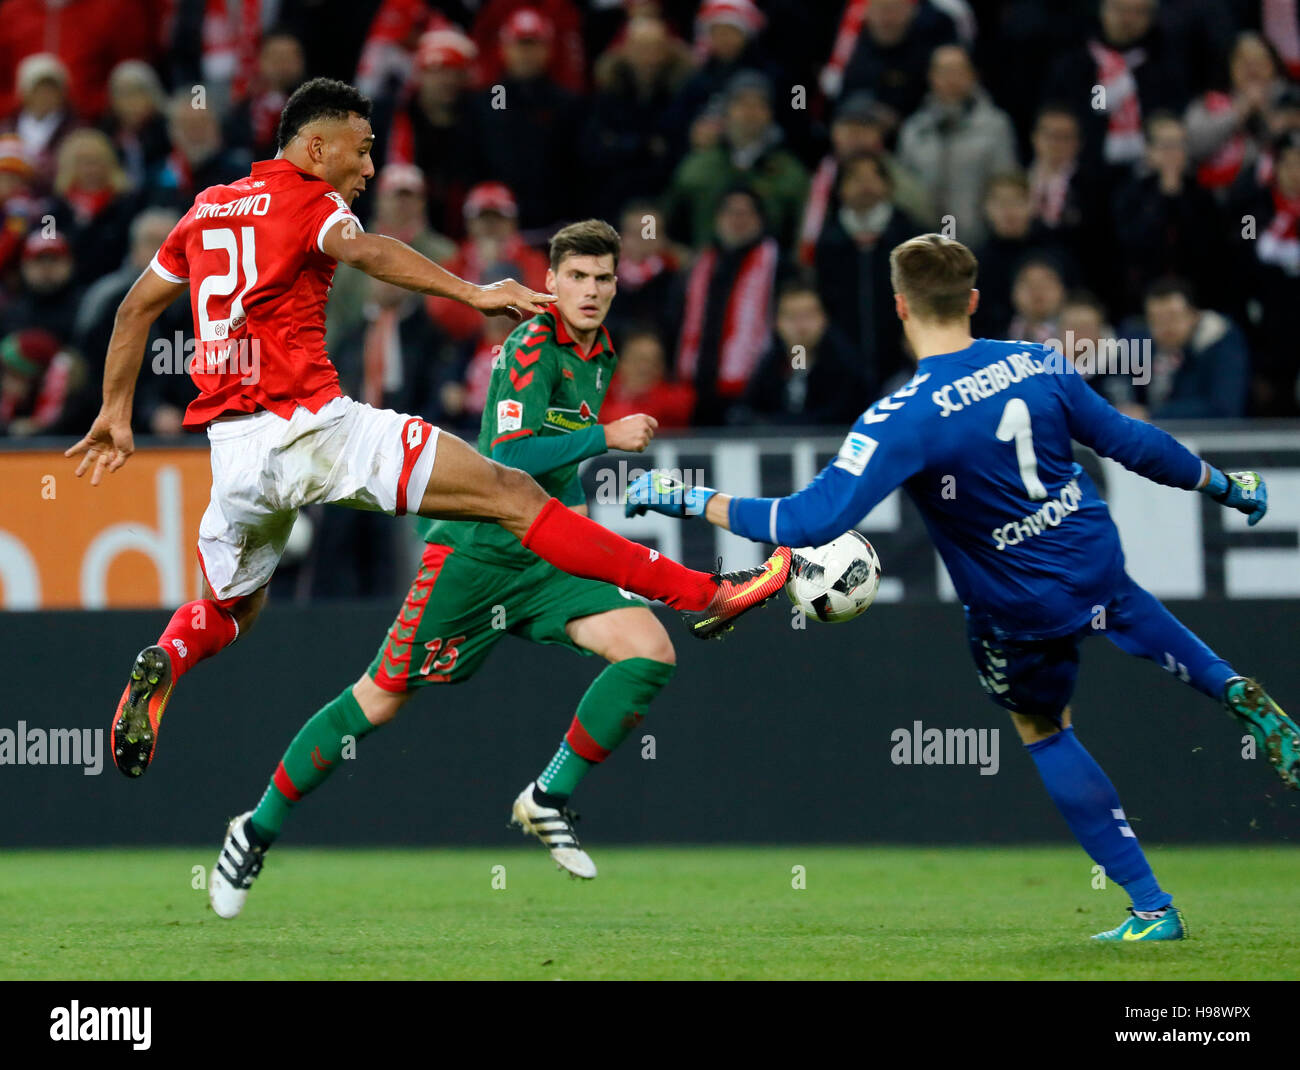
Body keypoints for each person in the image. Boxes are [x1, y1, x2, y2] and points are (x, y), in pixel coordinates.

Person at [65, 78, 793, 787]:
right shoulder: (310, 199)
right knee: (512, 490)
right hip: (315, 431)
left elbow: (134, 310)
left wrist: (113, 412)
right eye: (362, 149)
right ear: (316, 147)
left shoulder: (208, 208)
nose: (370, 166)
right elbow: (366, 250)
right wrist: (474, 291)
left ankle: (167, 655)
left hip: (233, 455)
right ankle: (704, 593)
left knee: (231, 608)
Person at [626, 233, 1299, 942]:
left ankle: (1152, 908)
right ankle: (1227, 686)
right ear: (974, 299)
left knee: (1044, 727)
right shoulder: (1035, 361)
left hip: (1018, 606)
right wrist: (1225, 485)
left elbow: (809, 519)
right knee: (1120, 601)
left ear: (900, 306)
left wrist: (684, 495)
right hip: (1091, 548)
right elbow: (1132, 441)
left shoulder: (901, 416)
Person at [209, 220, 692, 915]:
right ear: (549, 282)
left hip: (551, 550)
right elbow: (511, 459)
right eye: (577, 277)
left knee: (648, 651)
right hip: (478, 551)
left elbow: (552, 470)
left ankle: (548, 795)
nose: (590, 291)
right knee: (379, 697)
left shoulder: (602, 351)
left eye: (603, 278)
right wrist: (604, 436)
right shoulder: (529, 346)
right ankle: (253, 832)